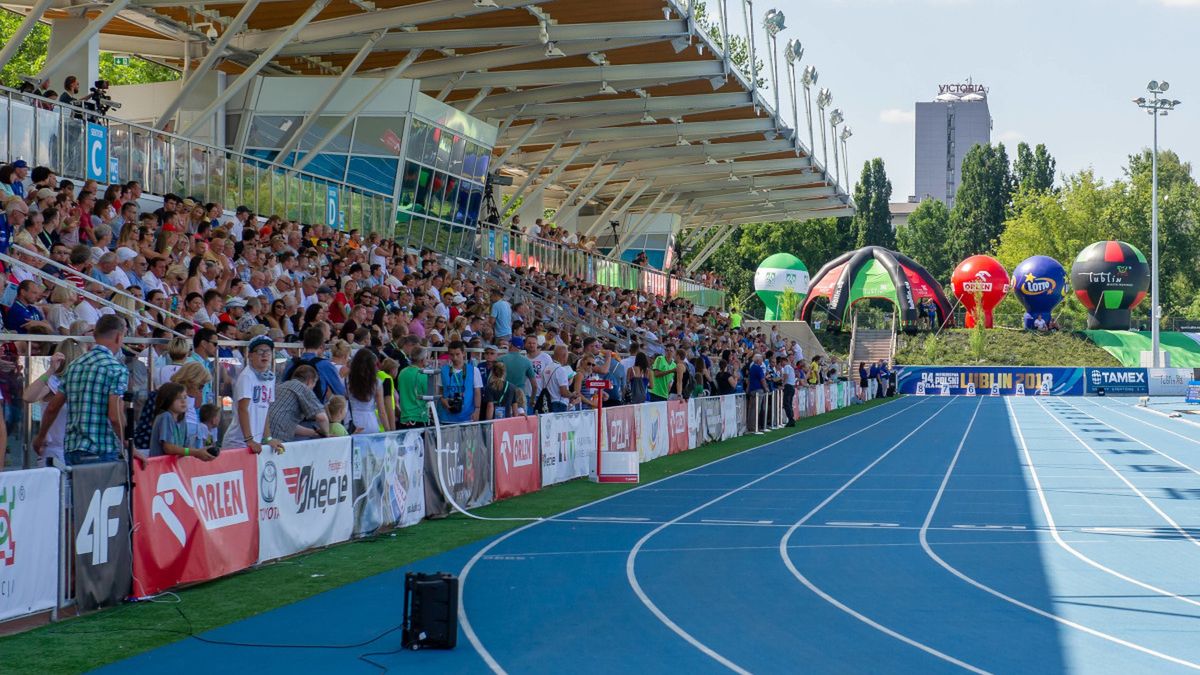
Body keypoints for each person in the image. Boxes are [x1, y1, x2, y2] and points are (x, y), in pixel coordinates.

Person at [36, 314, 128, 464]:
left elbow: (53, 407)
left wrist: (40, 436)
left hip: (72, 448)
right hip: (102, 448)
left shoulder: (74, 365)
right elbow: (114, 416)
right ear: (118, 336)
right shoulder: (117, 368)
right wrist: (126, 443)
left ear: (95, 335)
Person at [26, 340, 84, 467]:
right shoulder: (54, 381)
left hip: (72, 449)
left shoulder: (81, 383)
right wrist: (50, 371)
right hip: (55, 449)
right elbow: (28, 396)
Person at [221, 335, 282, 453]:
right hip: (238, 442)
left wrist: (268, 438)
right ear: (250, 355)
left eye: (268, 351)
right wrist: (249, 439)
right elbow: (243, 409)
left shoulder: (270, 377)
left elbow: (265, 410)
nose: (264, 354)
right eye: (260, 351)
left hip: (254, 442)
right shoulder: (247, 376)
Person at [147, 382, 215, 460]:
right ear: (167, 399)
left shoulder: (182, 419)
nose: (183, 401)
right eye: (178, 398)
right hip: (159, 467)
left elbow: (185, 447)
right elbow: (168, 448)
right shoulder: (166, 417)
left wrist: (200, 452)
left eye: (185, 397)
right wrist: (195, 452)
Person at [265, 365, 330, 443]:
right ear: (310, 381)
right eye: (314, 384)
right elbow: (322, 418)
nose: (313, 388)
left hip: (265, 435)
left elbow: (289, 425)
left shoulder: (281, 386)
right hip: (279, 439)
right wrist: (327, 434)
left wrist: (316, 433)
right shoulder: (303, 388)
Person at [437, 340, 481, 423]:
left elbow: (477, 392)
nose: (455, 358)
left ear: (463, 353)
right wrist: (443, 400)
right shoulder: (443, 370)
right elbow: (440, 391)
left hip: (467, 416)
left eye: (457, 354)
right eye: (452, 355)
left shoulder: (474, 370)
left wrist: (477, 409)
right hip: (446, 416)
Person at [346, 348, 387, 434]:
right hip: (370, 421)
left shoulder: (347, 380)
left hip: (353, 421)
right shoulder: (376, 383)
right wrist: (388, 430)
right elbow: (382, 412)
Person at [397, 346, 429, 429]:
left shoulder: (402, 372)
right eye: (427, 358)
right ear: (422, 360)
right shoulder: (423, 374)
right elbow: (428, 396)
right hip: (419, 417)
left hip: (404, 417)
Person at [780, 354, 796, 427]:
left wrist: (783, 384)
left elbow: (786, 376)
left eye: (781, 362)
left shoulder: (786, 367)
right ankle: (791, 418)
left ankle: (790, 419)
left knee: (786, 403)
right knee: (789, 403)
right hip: (792, 386)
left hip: (788, 386)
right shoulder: (790, 367)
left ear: (784, 361)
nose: (781, 364)